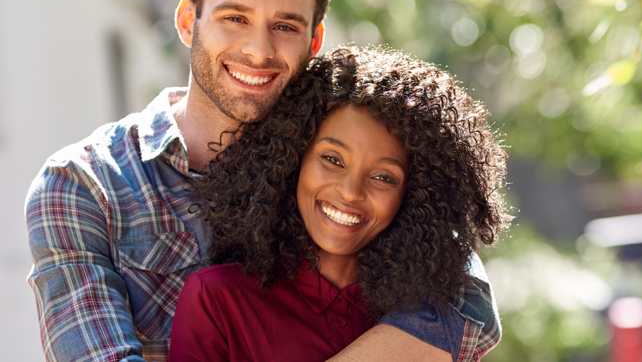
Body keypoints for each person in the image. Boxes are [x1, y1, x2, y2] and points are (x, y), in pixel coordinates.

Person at [25, 0, 501, 362]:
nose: (259, 50)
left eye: (285, 26)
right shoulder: (85, 185)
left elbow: (467, 307)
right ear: (189, 22)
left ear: (314, 42)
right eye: (235, 18)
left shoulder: (339, 158)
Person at [167, 46, 511, 362]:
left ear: (416, 195)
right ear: (292, 157)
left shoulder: (429, 319)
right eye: (332, 158)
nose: (350, 191)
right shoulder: (216, 300)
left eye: (384, 177)